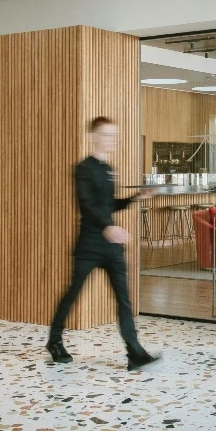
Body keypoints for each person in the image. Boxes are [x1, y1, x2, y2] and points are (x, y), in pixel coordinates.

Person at [47, 116, 161, 370]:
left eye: (114, 135)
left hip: (111, 245)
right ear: (93, 137)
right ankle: (54, 341)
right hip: (89, 244)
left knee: (124, 299)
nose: (113, 140)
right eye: (108, 135)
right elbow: (86, 205)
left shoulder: (109, 168)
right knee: (72, 293)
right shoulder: (83, 168)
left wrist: (135, 197)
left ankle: (135, 351)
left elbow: (109, 205)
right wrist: (106, 227)